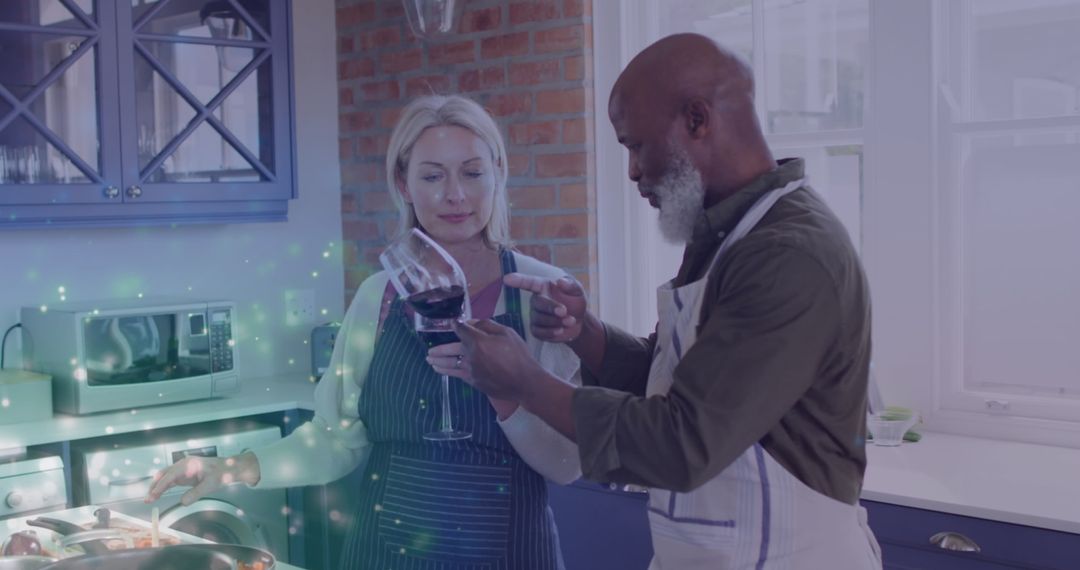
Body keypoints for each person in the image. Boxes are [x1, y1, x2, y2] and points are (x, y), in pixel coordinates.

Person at [452, 33, 883, 569]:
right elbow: (676, 376)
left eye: (635, 145)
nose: (632, 171)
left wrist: (525, 382)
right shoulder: (730, 234)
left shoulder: (787, 255)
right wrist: (585, 333)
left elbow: (682, 443)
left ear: (697, 120)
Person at [145, 95, 582, 570]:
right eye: (433, 176)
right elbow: (335, 439)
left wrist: (507, 394)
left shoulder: (538, 293)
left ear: (497, 173)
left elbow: (567, 463)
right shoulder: (379, 298)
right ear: (404, 184)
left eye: (473, 173)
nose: (455, 194)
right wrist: (233, 467)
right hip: (386, 555)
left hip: (510, 555)